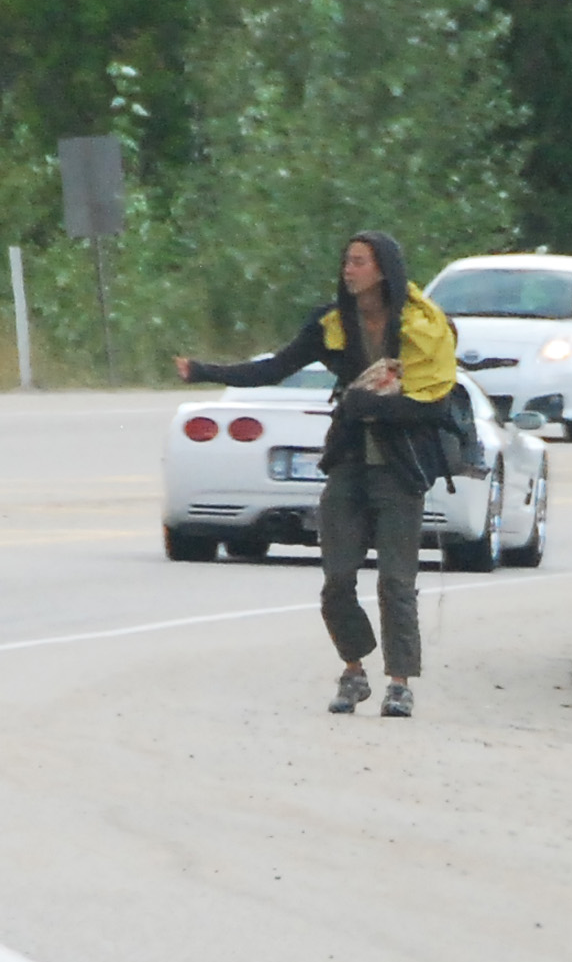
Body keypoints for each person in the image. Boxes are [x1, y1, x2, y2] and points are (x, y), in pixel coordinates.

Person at [176, 233, 459, 716]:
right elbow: (275, 368)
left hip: (399, 469)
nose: (348, 270)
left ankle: (399, 683)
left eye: (359, 262)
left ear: (383, 270)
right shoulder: (332, 325)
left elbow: (434, 406)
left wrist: (372, 406)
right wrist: (205, 370)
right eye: (346, 261)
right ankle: (354, 670)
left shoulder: (424, 328)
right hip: (348, 464)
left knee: (396, 582)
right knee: (337, 580)